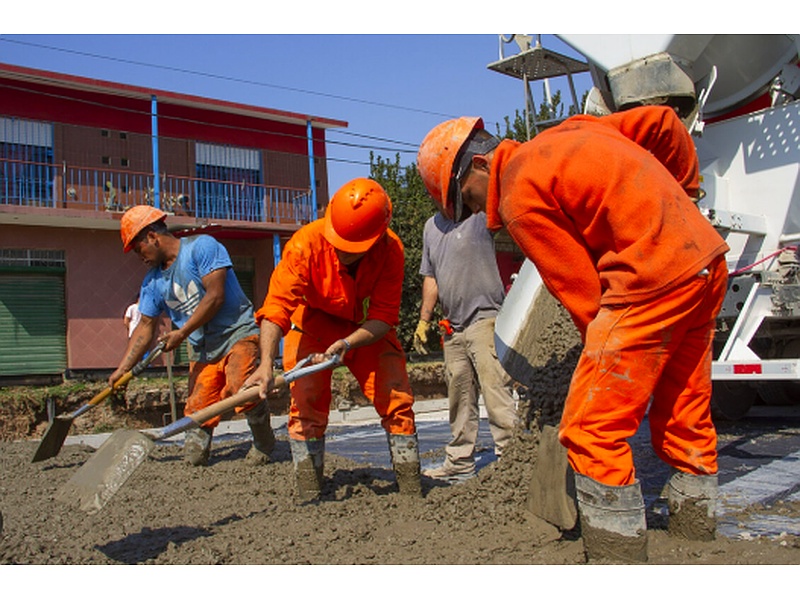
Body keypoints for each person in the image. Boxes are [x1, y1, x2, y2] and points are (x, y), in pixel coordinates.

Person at [417, 106, 730, 562]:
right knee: (685, 407)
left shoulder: (516, 194)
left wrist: (597, 361)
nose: (475, 211)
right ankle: (695, 527)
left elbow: (585, 299)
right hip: (703, 259)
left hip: (650, 277)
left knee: (590, 430)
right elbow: (664, 123)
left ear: (482, 166)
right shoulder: (574, 129)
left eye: (467, 197)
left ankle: (616, 555)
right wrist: (685, 194)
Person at [243, 177, 422, 503]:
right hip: (313, 326)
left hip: (364, 330)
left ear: (375, 239)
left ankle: (411, 492)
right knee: (306, 405)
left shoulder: (391, 249)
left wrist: (349, 342)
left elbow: (383, 316)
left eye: (349, 249)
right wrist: (266, 364)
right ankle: (309, 492)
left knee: (396, 396)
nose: (340, 251)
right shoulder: (304, 245)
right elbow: (277, 306)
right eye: (337, 243)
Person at [110, 205, 274, 467]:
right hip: (203, 347)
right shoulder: (152, 282)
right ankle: (198, 449)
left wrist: (182, 332)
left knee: (241, 386)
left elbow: (215, 296)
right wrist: (123, 369)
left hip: (237, 334)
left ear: (152, 236)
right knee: (198, 408)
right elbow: (145, 327)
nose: (138, 256)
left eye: (137, 247)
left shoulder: (202, 247)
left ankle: (265, 443)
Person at [414, 210, 518, 483]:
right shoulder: (431, 227)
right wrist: (424, 320)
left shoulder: (481, 216)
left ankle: (511, 461)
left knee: (496, 393)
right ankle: (459, 462)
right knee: (459, 399)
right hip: (453, 328)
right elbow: (431, 277)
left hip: (486, 320)